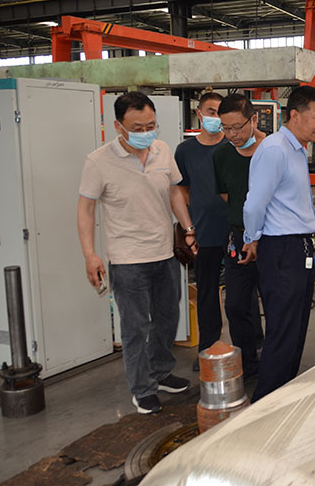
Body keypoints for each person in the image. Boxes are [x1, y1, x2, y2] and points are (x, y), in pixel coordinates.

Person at [77, 92, 195, 414]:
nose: (146, 132)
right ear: (119, 126)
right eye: (137, 128)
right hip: (128, 260)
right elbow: (86, 209)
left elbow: (174, 192)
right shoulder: (98, 161)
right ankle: (142, 388)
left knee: (168, 317)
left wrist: (188, 228)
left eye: (151, 125)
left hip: (164, 253)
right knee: (135, 327)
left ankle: (161, 372)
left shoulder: (162, 150)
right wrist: (90, 254)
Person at [243, 85, 315, 401]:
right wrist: (252, 238)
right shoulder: (275, 149)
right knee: (282, 329)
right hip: (282, 249)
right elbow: (254, 204)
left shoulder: (296, 149)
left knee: (296, 326)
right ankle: (265, 402)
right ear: (295, 115)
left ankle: (284, 395)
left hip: (298, 247)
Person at [212, 94, 267, 377]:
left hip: (272, 236)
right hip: (239, 236)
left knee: (275, 302)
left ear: (253, 119)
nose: (232, 134)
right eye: (226, 128)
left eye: (238, 127)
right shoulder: (221, 156)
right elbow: (227, 195)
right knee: (235, 304)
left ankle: (275, 359)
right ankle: (249, 363)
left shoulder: (272, 150)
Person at [174, 92, 229, 372]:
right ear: (199, 114)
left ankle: (252, 346)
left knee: (242, 293)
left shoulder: (233, 146)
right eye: (211, 111)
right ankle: (208, 348)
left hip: (235, 231)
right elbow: (181, 189)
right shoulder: (186, 151)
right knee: (207, 292)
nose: (215, 118)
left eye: (220, 112)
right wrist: (191, 224)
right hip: (205, 231)